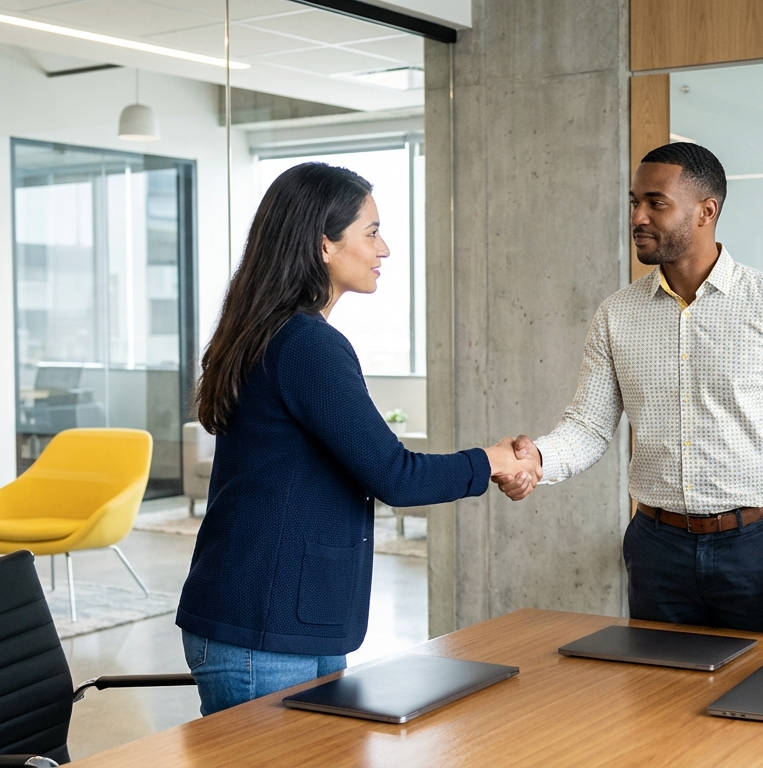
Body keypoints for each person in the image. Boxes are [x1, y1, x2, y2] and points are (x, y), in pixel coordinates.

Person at [177, 162, 537, 715]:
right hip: (261, 627)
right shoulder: (305, 344)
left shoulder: (280, 333)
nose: (384, 248)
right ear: (324, 243)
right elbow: (394, 474)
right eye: (371, 231)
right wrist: (489, 460)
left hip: (289, 620)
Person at [495, 143, 763, 635]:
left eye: (656, 203)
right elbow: (588, 427)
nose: (638, 216)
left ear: (707, 211)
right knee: (658, 704)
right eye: (635, 201)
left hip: (757, 549)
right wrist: (537, 460)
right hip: (655, 549)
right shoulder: (616, 315)